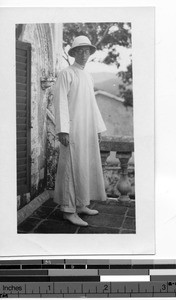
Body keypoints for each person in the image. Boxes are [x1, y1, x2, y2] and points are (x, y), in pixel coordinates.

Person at [53, 35, 107, 226]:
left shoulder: (88, 76)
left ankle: (81, 203)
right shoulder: (66, 73)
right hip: (73, 128)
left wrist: (98, 128)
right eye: (80, 51)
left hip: (87, 128)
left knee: (83, 166)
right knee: (70, 166)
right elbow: (60, 102)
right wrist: (63, 130)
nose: (84, 54)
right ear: (74, 53)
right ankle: (68, 210)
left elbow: (92, 104)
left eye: (87, 51)